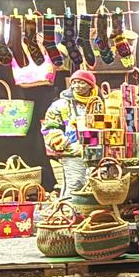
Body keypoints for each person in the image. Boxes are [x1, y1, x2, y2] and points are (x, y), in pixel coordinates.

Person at [40, 68, 99, 196]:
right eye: (74, 82)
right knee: (75, 184)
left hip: (96, 152)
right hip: (73, 151)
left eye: (81, 82)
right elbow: (49, 126)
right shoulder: (61, 105)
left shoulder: (98, 103)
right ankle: (69, 212)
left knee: (95, 186)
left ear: (90, 85)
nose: (77, 85)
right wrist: (59, 141)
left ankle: (89, 213)